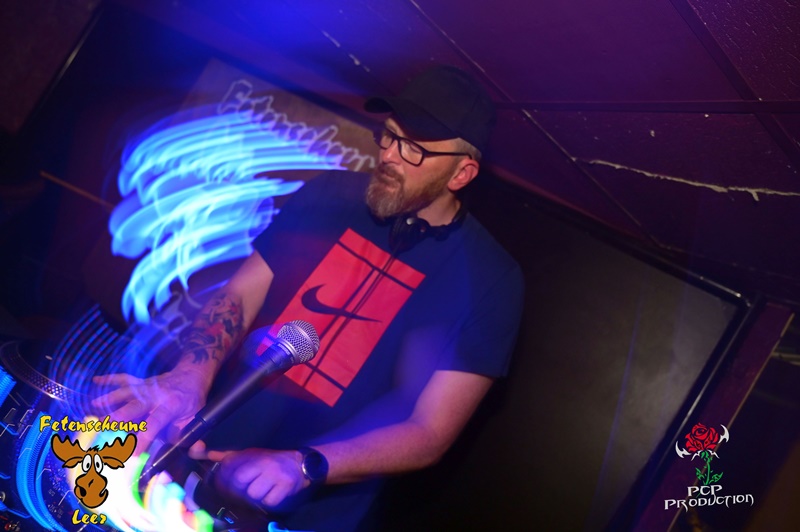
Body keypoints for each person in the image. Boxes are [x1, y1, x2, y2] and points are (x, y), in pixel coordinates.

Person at [93, 64, 524, 531]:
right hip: (197, 455)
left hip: (310, 516)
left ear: (462, 173)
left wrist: (304, 465)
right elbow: (240, 294)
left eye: (413, 149)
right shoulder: (329, 194)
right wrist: (189, 376)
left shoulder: (489, 278)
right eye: (388, 135)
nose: (388, 155)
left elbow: (430, 431)